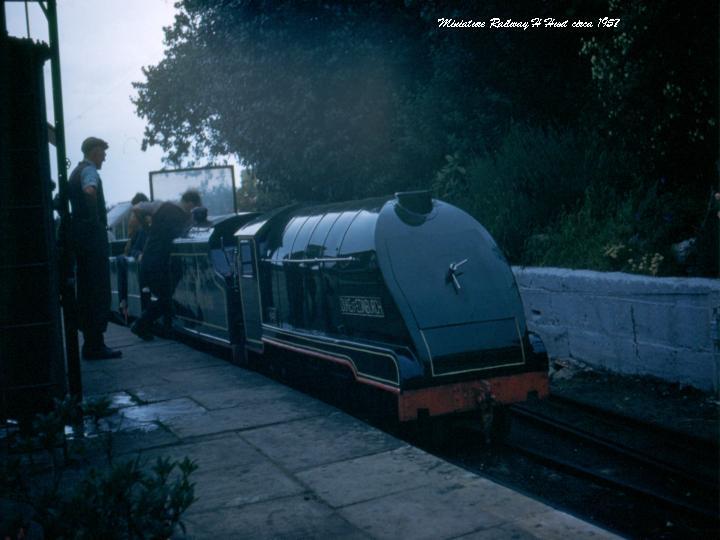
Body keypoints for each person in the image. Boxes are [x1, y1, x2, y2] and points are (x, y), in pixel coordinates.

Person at [68, 136, 122, 359]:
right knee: (99, 288)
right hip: (92, 238)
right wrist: (95, 223)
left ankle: (90, 343)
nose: (105, 157)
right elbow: (90, 191)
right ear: (93, 152)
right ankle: (95, 345)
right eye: (102, 152)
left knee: (87, 289)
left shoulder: (74, 172)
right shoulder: (89, 172)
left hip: (81, 239)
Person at [130, 189, 202, 340]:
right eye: (194, 207)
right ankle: (141, 324)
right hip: (162, 263)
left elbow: (136, 208)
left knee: (165, 298)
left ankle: (148, 327)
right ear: (190, 203)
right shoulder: (187, 218)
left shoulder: (159, 206)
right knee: (165, 299)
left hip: (149, 258)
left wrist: (147, 227)